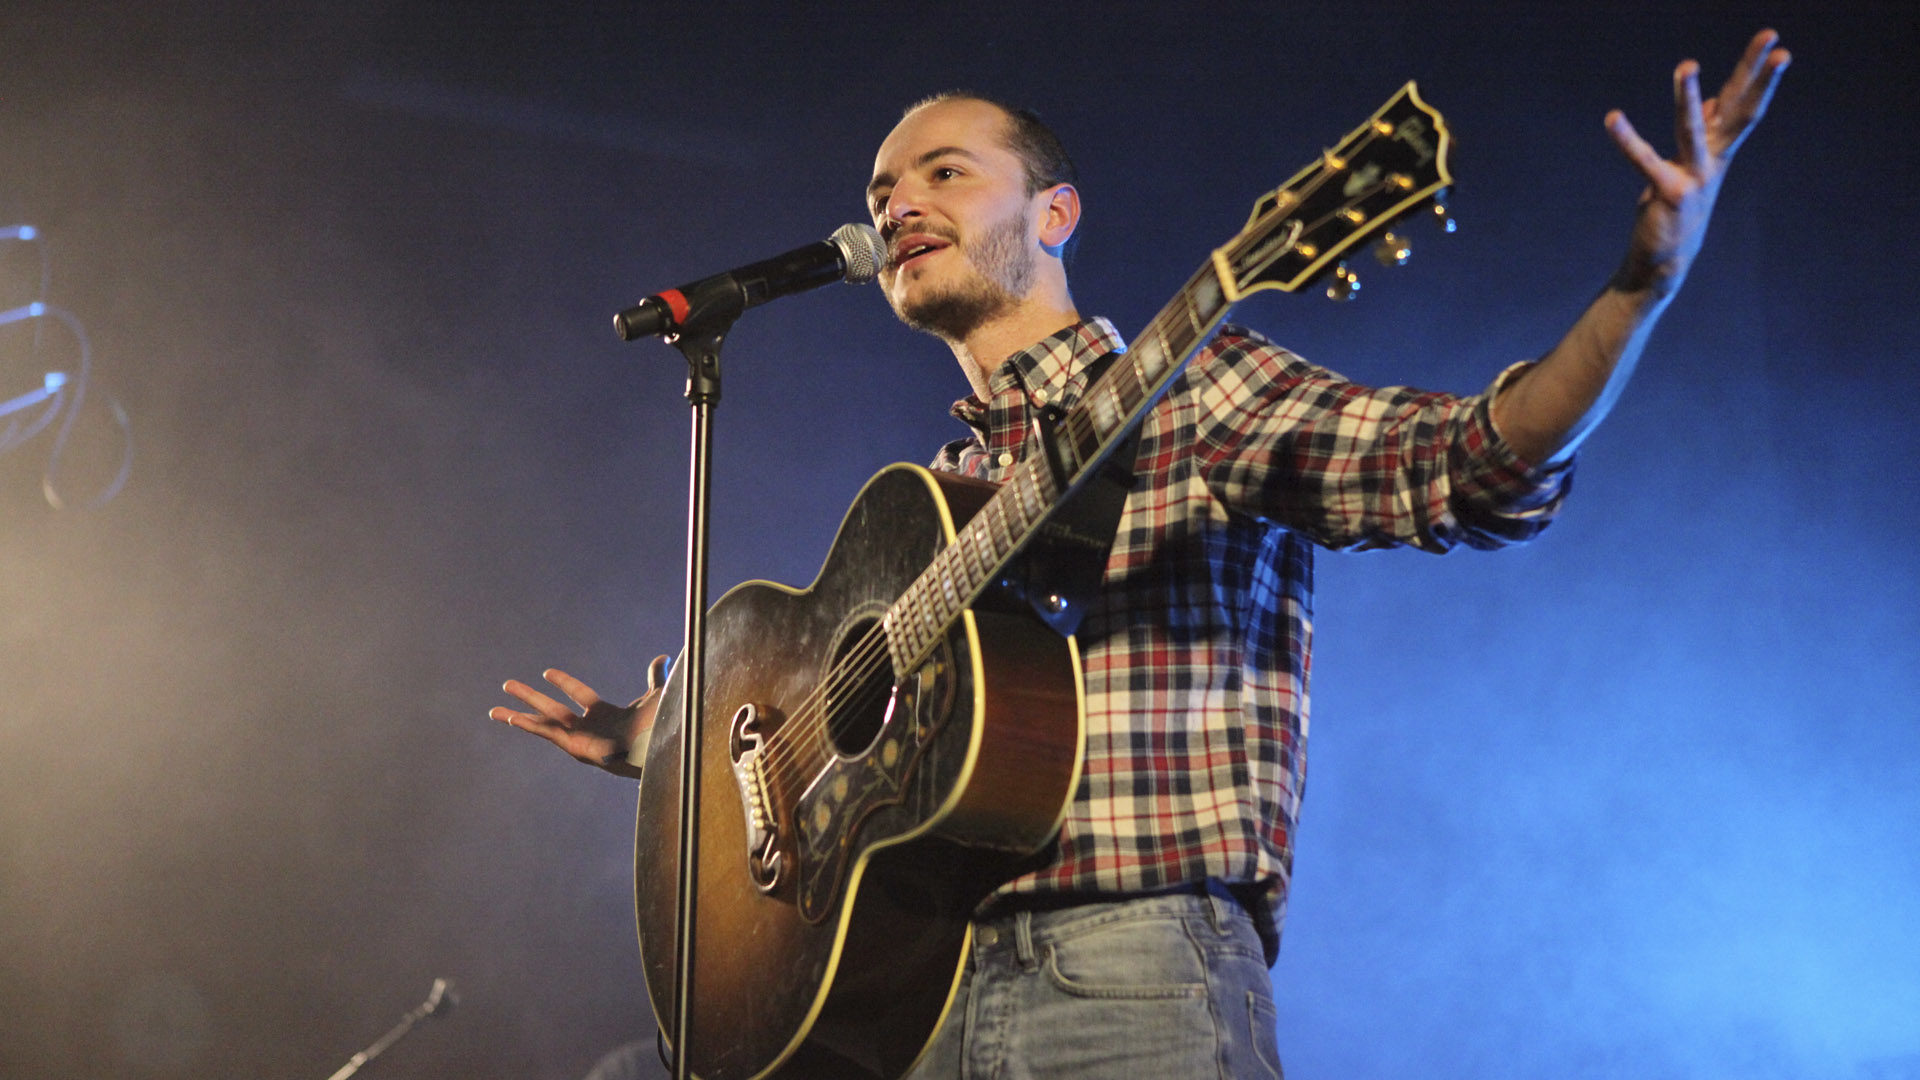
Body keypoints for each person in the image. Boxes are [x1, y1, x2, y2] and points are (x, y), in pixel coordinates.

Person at [492, 30, 1789, 1079]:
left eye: (944, 172)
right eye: (881, 190)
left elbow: (1462, 466)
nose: (897, 204)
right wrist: (692, 756)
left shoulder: (1190, 390)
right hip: (915, 1001)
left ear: (1055, 212)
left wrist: (1636, 292)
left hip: (1128, 980)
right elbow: (835, 755)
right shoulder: (923, 510)